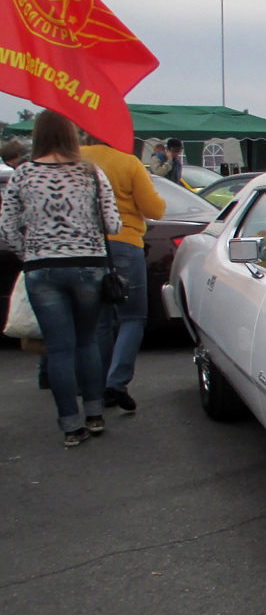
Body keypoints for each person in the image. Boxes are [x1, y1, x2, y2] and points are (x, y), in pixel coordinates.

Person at [0, 110, 121, 447]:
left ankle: (71, 426)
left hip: (43, 269)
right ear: (71, 135)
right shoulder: (91, 174)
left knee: (59, 349)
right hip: (88, 266)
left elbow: (7, 230)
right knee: (87, 342)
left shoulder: (22, 175)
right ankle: (95, 414)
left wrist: (31, 253)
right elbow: (112, 224)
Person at [81, 134, 166, 412]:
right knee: (132, 317)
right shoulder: (127, 163)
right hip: (125, 242)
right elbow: (154, 209)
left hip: (85, 247)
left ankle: (97, 384)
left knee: (101, 322)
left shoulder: (74, 159)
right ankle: (116, 382)